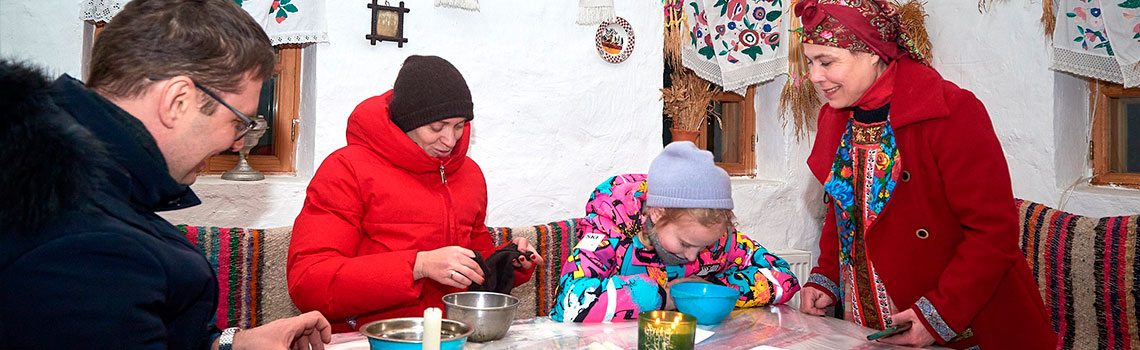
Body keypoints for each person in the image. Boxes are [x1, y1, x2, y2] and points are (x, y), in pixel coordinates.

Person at [0, 0, 332, 349]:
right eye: (238, 122)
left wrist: (230, 344)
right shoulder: (88, 244)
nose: (237, 144)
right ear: (177, 101)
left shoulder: (68, 172)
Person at [793, 0, 1056, 348]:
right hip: (869, 327)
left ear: (872, 52)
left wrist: (939, 314)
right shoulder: (835, 118)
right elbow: (843, 210)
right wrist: (825, 277)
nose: (815, 76)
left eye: (826, 62)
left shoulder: (952, 111)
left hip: (967, 323)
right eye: (810, 62)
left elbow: (993, 232)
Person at [287, 55, 544, 332]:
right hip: (373, 338)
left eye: (459, 126)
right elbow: (309, 282)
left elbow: (473, 261)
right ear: (407, 121)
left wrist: (505, 261)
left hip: (452, 335)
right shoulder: (346, 170)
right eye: (437, 127)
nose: (450, 140)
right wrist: (417, 266)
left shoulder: (469, 174)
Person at [551, 142, 801, 322]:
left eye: (704, 246)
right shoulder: (609, 231)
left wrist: (710, 289)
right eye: (685, 244)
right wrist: (664, 296)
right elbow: (570, 301)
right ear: (657, 214)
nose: (692, 256)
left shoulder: (721, 240)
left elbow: (785, 277)